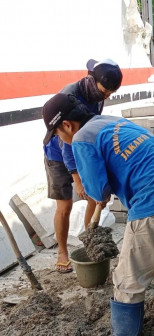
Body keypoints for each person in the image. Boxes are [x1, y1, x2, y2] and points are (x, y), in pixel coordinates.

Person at [42, 93, 154, 336]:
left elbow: (97, 191)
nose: (61, 140)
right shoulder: (111, 122)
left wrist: (97, 185)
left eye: (58, 134)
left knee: (126, 283)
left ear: (67, 125)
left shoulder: (82, 138)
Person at [43, 59, 122, 273]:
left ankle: (91, 243)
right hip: (58, 151)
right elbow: (67, 142)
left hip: (80, 143)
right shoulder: (70, 97)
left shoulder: (96, 94)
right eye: (106, 92)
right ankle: (62, 251)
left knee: (93, 196)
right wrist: (77, 179)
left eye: (110, 93)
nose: (107, 96)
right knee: (65, 205)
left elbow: (87, 131)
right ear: (92, 80)